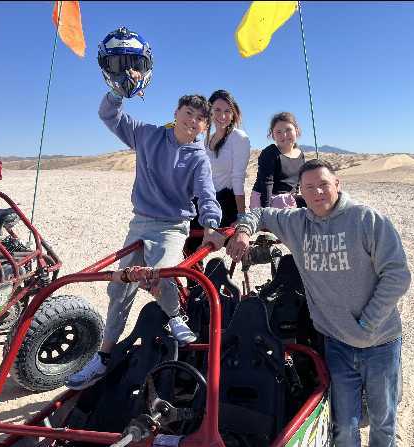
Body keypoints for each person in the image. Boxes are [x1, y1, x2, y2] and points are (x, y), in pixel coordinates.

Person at [66, 28, 223, 390]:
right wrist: (117, 92)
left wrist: (212, 225)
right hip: (140, 223)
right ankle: (103, 357)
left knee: (162, 273)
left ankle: (175, 315)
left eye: (200, 119)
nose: (193, 121)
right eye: (188, 113)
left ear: (204, 126)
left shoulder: (198, 157)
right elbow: (109, 116)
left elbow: (206, 195)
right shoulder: (148, 135)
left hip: (172, 226)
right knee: (119, 289)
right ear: (176, 113)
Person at [222, 159, 411, 447]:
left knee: (383, 421)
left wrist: (367, 322)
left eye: (324, 184)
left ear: (337, 184)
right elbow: (259, 213)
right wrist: (244, 231)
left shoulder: (367, 220)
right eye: (309, 187)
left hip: (380, 342)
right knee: (343, 426)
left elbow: (397, 275)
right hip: (336, 345)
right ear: (300, 191)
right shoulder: (297, 223)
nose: (318, 192)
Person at [185, 90, 251, 252]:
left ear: (233, 114)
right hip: (204, 199)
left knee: (197, 242)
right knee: (186, 243)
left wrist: (242, 217)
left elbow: (238, 178)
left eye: (227, 111)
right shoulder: (206, 140)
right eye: (217, 110)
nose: (222, 116)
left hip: (226, 201)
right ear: (210, 112)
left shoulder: (239, 138)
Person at [250, 112, 306, 209]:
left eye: (288, 130)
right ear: (273, 135)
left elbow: (297, 184)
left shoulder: (300, 154)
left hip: (289, 199)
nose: (284, 135)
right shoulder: (270, 153)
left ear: (296, 131)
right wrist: (266, 211)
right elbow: (266, 184)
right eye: (278, 132)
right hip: (267, 198)